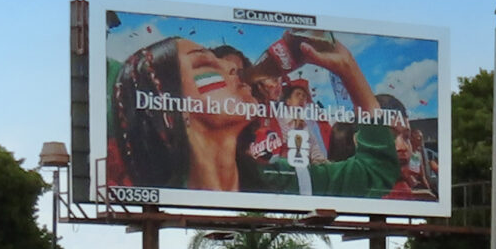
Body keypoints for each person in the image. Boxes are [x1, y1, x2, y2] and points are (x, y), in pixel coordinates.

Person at [108, 30, 399, 196]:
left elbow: (375, 173)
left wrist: (349, 70)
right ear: (171, 108)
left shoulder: (278, 180)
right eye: (206, 66)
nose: (233, 69)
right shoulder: (158, 192)